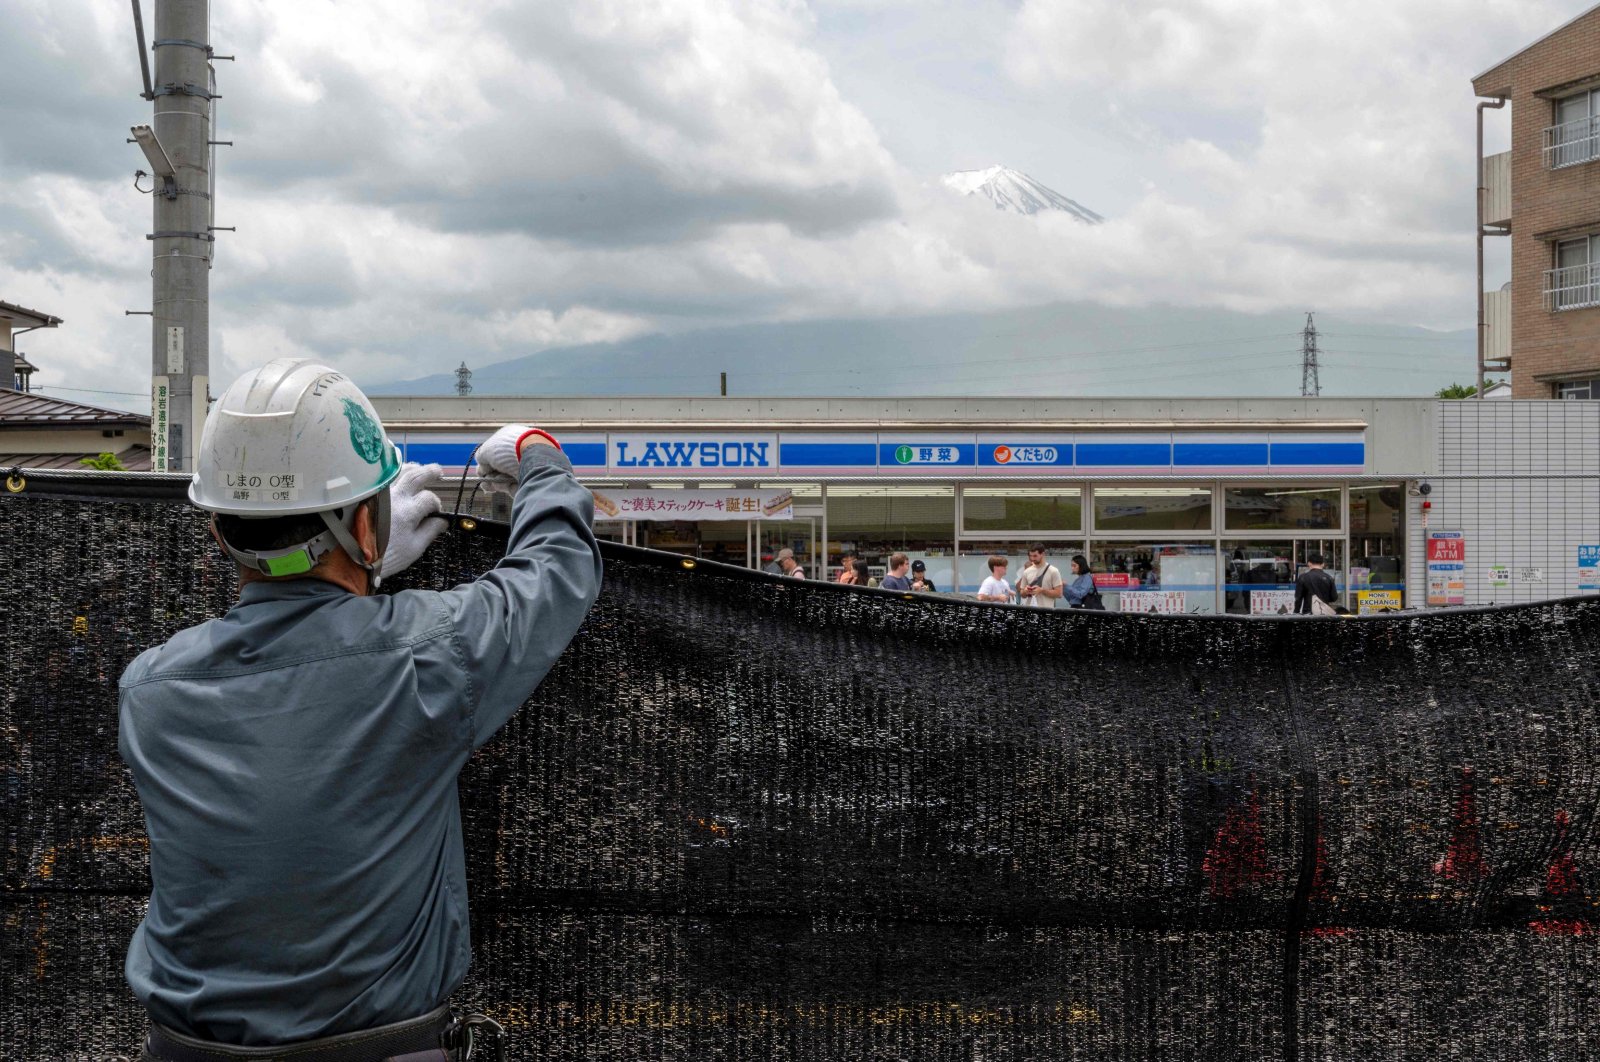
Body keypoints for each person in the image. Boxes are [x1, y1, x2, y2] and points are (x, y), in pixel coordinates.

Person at [117, 359, 604, 1060]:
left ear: (221, 530)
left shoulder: (149, 690)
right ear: (365, 526)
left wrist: (357, 575)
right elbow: (556, 569)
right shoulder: (428, 656)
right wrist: (537, 456)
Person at [1016, 544, 1064, 608]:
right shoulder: (1027, 571)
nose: (1032, 558)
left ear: (1043, 554)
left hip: (1046, 611)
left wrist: (1042, 590)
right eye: (1030, 556)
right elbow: (1022, 594)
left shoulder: (1053, 571)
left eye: (1035, 556)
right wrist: (1025, 591)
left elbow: (1059, 594)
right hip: (1030, 611)